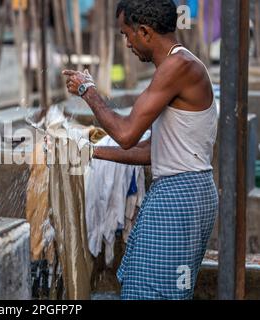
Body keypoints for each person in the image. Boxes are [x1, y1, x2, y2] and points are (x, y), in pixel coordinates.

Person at [62, 0, 218, 300]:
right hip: (187, 193)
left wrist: (87, 91)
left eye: (126, 34)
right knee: (155, 288)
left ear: (144, 32)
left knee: (152, 293)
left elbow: (125, 134)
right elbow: (152, 151)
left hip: (179, 198)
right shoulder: (176, 66)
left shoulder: (179, 66)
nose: (127, 43)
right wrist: (90, 152)